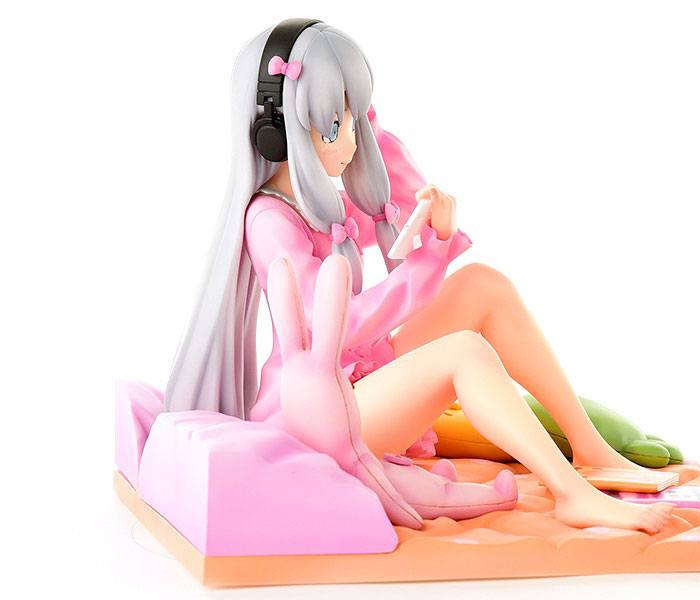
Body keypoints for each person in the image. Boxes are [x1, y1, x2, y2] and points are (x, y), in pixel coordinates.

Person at [166, 20, 673, 533]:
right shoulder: (269, 220)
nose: (350, 140)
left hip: (357, 383)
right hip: (314, 417)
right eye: (334, 125)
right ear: (277, 133)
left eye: (354, 117)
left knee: (482, 285)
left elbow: (395, 208)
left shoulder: (323, 202)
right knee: (464, 352)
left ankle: (588, 447)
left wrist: (407, 189)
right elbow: (336, 324)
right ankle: (570, 494)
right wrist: (425, 265)